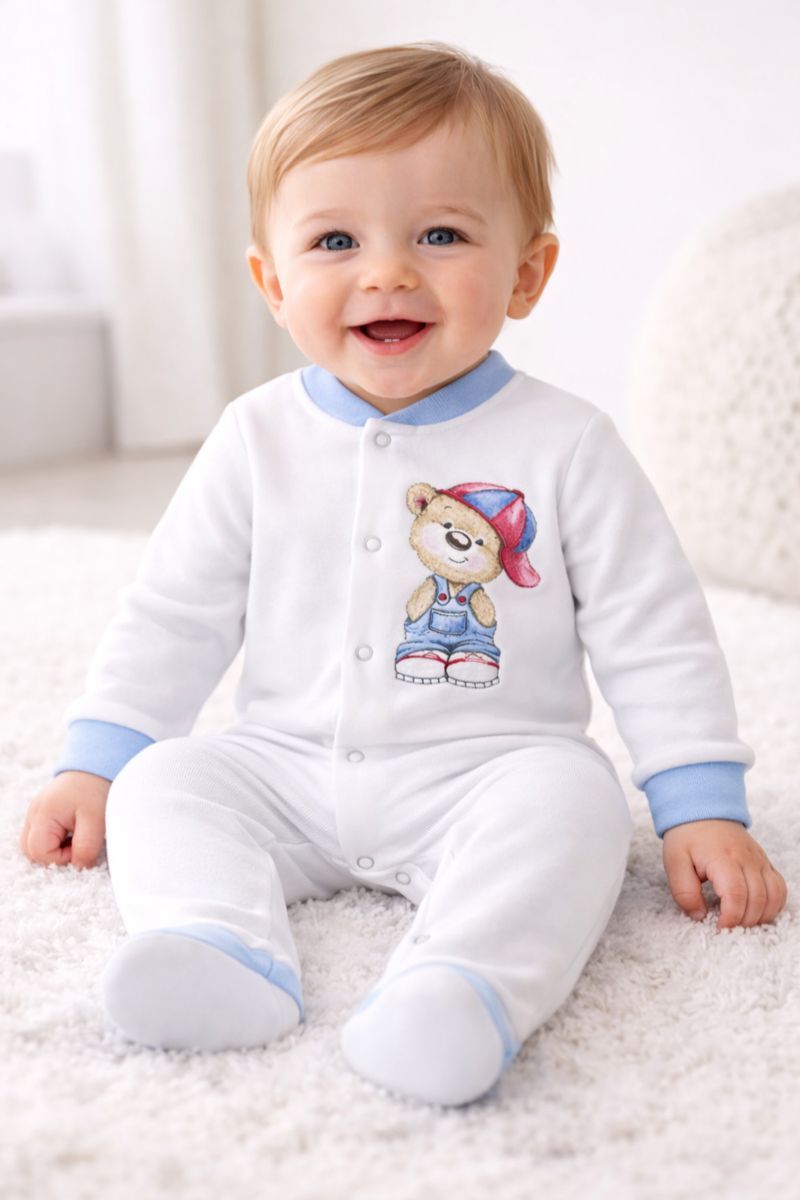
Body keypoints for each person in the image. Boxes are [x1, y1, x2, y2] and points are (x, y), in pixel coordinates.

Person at [19, 41, 788, 1108]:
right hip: (283, 765)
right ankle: (214, 947)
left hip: (487, 770)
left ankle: (460, 986)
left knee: (576, 802)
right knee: (167, 782)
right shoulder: (253, 438)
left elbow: (652, 628)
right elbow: (173, 613)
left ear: (526, 273)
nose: (386, 273)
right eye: (335, 240)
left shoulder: (566, 446)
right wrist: (98, 759)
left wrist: (699, 803)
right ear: (272, 282)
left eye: (440, 235)